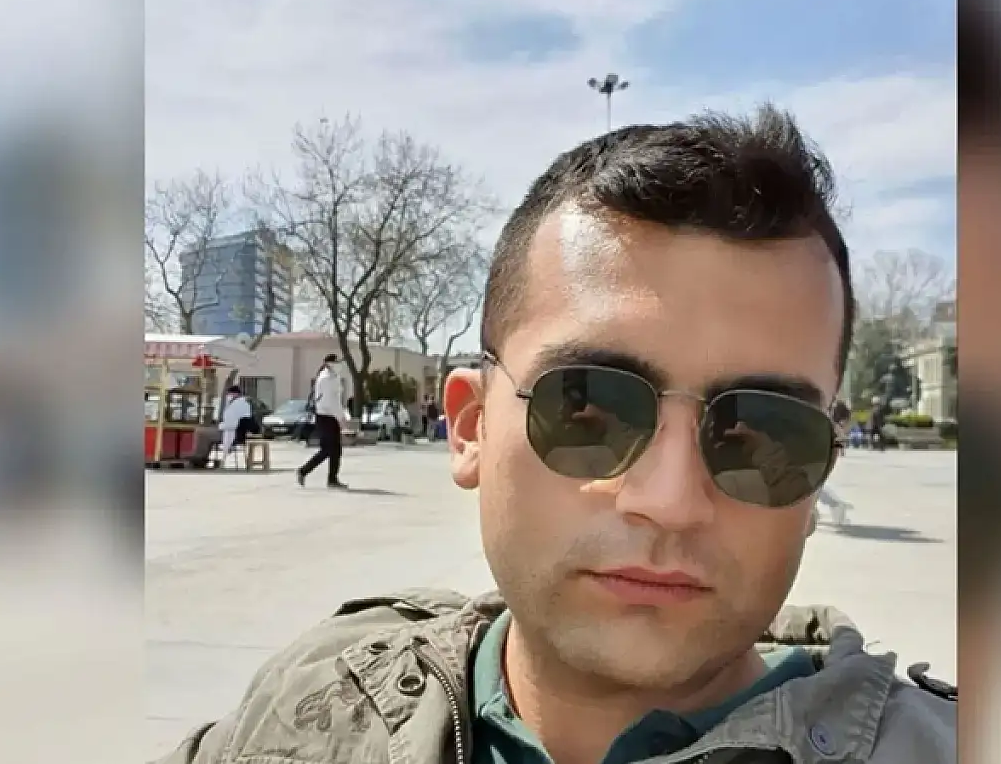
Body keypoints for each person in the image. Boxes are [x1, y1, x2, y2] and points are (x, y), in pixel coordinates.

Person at [158, 107, 955, 764]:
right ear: (470, 426)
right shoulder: (308, 704)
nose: (670, 500)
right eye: (589, 410)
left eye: (762, 432)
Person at [296, 353, 349, 489]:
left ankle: (332, 479)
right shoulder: (326, 379)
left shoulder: (333, 377)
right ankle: (304, 471)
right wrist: (341, 419)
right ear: (329, 364)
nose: (339, 365)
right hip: (325, 417)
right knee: (328, 449)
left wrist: (341, 417)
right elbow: (331, 402)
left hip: (331, 416)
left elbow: (337, 401)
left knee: (335, 450)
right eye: (336, 362)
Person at [216, 385, 251, 455]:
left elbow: (232, 422)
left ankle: (228, 447)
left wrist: (220, 426)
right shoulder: (236, 403)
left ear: (235, 394)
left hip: (236, 431)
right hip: (235, 429)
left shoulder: (239, 404)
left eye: (230, 394)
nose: (229, 396)